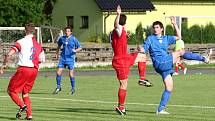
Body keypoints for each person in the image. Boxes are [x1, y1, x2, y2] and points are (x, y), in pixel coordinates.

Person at [140, 17, 212, 114]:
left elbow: (179, 37)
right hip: (160, 62)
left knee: (169, 87)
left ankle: (160, 110)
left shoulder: (166, 38)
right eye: (154, 27)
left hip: (164, 66)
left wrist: (174, 24)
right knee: (181, 52)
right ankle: (204, 59)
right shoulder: (150, 39)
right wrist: (140, 49)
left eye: (157, 27)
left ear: (162, 29)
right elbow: (144, 49)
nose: (155, 29)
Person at [111, 5, 152, 115]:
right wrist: (118, 14)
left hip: (124, 57)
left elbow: (119, 35)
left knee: (142, 56)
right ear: (124, 22)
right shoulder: (118, 29)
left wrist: (126, 36)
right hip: (120, 61)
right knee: (124, 85)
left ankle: (142, 79)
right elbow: (116, 26)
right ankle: (121, 107)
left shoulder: (121, 31)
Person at [0, 23, 45, 120]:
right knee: (25, 93)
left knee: (11, 90)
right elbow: (41, 59)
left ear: (25, 30)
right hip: (34, 70)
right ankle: (29, 115)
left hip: (24, 69)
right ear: (34, 31)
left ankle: (22, 106)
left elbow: (9, 54)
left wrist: (3, 65)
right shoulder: (38, 45)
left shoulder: (21, 42)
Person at [53, 26, 82, 95]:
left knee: (71, 74)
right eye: (66, 31)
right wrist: (56, 53)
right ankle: (58, 87)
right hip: (63, 58)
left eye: (68, 31)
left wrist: (75, 50)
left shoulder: (74, 39)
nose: (67, 32)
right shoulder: (62, 38)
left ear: (71, 32)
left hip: (70, 59)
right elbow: (58, 46)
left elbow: (80, 47)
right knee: (58, 72)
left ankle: (73, 88)